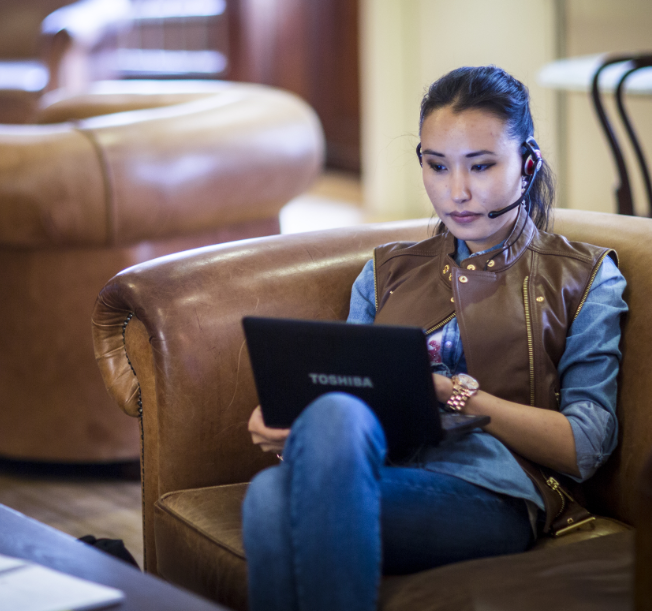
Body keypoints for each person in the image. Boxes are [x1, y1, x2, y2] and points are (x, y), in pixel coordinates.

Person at [241, 65, 628, 611]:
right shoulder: (384, 273)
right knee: (295, 459)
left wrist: (449, 393)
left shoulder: (584, 277)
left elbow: (585, 447)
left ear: (528, 164)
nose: (458, 192)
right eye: (437, 166)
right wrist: (294, 425)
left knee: (271, 498)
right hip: (382, 470)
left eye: (482, 165)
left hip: (496, 492)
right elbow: (347, 403)